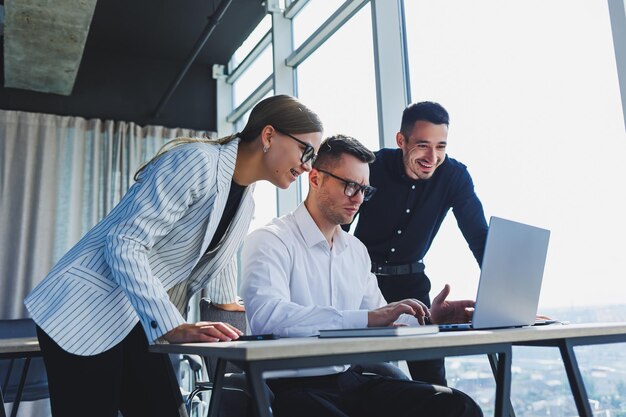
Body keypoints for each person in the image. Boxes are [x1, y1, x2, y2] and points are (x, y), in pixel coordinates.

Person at [23, 94, 323, 417]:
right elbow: (123, 241)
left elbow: (220, 284)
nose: (308, 166)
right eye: (306, 151)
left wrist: (257, 327)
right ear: (268, 136)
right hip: (85, 309)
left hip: (133, 316)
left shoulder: (245, 203)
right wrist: (171, 326)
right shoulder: (198, 162)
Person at [241, 135, 482, 417]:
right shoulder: (270, 240)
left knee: (457, 405)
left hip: (349, 382)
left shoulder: (355, 251)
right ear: (316, 179)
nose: (357, 199)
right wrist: (368, 319)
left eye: (364, 190)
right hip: (287, 389)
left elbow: (384, 316)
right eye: (350, 186)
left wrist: (432, 320)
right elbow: (269, 317)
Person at [345, 101, 488, 386]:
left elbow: (479, 237)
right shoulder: (371, 167)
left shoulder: (454, 176)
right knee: (356, 372)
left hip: (413, 286)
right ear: (401, 140)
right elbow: (336, 228)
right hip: (360, 284)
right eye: (423, 145)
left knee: (432, 377)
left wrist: (508, 300)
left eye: (441, 147)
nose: (432, 156)